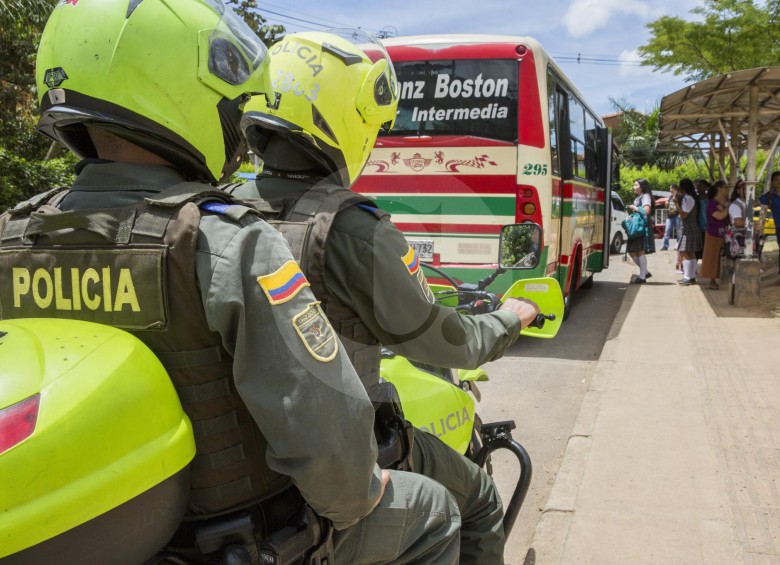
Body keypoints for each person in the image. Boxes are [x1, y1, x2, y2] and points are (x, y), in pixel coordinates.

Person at [0, 2, 460, 563]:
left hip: (75, 534)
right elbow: (326, 442)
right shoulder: (221, 241)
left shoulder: (14, 235)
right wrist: (363, 492)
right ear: (170, 85)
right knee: (438, 511)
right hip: (249, 540)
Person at [229, 30, 541, 564]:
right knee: (480, 500)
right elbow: (443, 342)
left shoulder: (223, 208)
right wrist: (507, 320)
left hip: (245, 454)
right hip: (340, 456)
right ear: (346, 118)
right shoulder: (350, 228)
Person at [699, 180, 730, 289]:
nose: (728, 189)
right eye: (725, 187)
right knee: (712, 257)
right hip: (713, 234)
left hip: (725, 233)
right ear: (719, 188)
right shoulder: (712, 203)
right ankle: (711, 280)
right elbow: (719, 216)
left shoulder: (725, 202)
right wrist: (728, 208)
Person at [626, 178, 655, 284]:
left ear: (642, 187)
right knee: (633, 251)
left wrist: (635, 208)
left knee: (640, 251)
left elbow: (647, 211)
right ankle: (645, 272)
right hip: (638, 226)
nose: (633, 187)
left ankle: (642, 277)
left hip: (641, 227)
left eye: (635, 185)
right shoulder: (639, 197)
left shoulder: (645, 196)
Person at [677, 178, 703, 285]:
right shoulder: (693, 198)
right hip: (694, 226)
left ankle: (687, 277)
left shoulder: (687, 198)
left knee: (685, 252)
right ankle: (692, 277)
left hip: (688, 227)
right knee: (691, 253)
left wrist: (676, 204)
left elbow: (684, 214)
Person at [759, 171, 780, 274]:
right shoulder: (769, 197)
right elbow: (757, 202)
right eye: (776, 180)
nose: (779, 182)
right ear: (772, 182)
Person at [727, 180, 748, 259]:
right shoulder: (735, 205)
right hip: (738, 238)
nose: (748, 191)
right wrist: (753, 225)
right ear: (738, 190)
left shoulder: (745, 204)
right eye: (745, 189)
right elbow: (738, 222)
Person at [662, 184, 681, 251]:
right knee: (667, 231)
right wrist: (666, 205)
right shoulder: (670, 197)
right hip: (670, 216)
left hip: (677, 216)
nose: (669, 190)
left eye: (670, 188)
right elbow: (668, 207)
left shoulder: (679, 196)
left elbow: (680, 205)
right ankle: (665, 246)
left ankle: (678, 246)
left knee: (678, 232)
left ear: (674, 188)